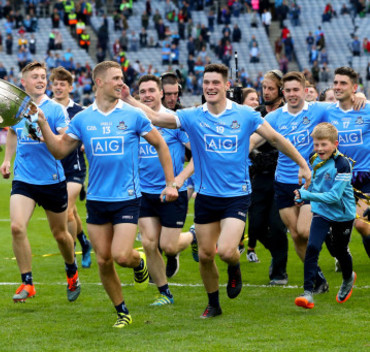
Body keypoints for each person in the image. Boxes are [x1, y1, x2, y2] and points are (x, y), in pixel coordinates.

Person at [131, 63, 311, 318]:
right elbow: (158, 118)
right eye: (206, 83)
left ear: (226, 85)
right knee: (205, 256)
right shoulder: (194, 115)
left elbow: (275, 139)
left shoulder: (245, 114)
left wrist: (303, 164)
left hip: (236, 196)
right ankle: (213, 303)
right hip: (205, 197)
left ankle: (234, 266)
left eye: (216, 83)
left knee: (226, 251)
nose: (210, 87)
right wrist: (128, 98)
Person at [36, 61, 178, 328]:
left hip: (127, 197)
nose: (121, 83)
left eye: (121, 78)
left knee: (122, 256)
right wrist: (43, 124)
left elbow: (160, 144)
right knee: (103, 260)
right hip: (98, 200)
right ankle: (122, 311)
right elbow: (58, 151)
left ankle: (139, 262)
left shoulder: (134, 115)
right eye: (115, 78)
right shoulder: (82, 119)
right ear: (99, 82)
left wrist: (171, 182)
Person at [0, 62, 80, 304]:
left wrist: (42, 125)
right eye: (35, 77)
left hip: (52, 180)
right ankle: (27, 282)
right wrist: (6, 160)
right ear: (23, 82)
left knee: (61, 234)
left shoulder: (54, 110)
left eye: (43, 76)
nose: (41, 80)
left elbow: (64, 141)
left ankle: (71, 270)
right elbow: (13, 132)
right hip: (24, 178)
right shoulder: (16, 107)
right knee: (16, 227)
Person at [251, 71, 331, 293]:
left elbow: (345, 108)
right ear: (283, 92)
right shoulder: (275, 117)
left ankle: (327, 229)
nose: (293, 94)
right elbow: (254, 137)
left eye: (297, 89)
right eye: (288, 90)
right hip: (283, 182)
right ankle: (317, 278)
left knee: (305, 231)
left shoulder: (319, 109)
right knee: (295, 234)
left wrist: (361, 96)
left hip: (310, 180)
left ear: (305, 90)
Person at [135, 74, 196, 307]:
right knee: (150, 243)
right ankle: (164, 293)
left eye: (151, 90)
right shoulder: (133, 119)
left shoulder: (173, 121)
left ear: (161, 93)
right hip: (143, 193)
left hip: (171, 192)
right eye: (142, 91)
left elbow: (198, 155)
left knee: (168, 246)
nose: (147, 95)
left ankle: (193, 236)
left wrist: (178, 180)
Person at [294, 122, 356, 309]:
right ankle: (307, 293)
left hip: (342, 214)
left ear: (335, 144)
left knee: (340, 251)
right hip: (321, 212)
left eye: (324, 144)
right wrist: (302, 193)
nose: (319, 149)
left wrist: (307, 195)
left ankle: (347, 278)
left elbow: (335, 196)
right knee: (312, 247)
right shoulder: (314, 158)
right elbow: (316, 183)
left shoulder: (343, 164)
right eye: (316, 144)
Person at [49, 67, 93, 268]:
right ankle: (85, 243)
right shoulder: (45, 109)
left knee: (67, 211)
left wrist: (85, 142)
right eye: (55, 84)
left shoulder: (80, 112)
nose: (58, 87)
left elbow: (90, 134)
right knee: (72, 211)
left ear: (70, 87)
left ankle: (72, 256)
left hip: (74, 166)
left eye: (62, 84)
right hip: (52, 168)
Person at [248, 70, 289, 282]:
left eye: (271, 88)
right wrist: (254, 155)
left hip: (280, 174)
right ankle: (278, 253)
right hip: (259, 175)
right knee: (255, 225)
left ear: (280, 90)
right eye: (264, 87)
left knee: (276, 224)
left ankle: (279, 271)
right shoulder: (257, 111)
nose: (266, 91)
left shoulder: (285, 112)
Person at [326, 67, 370, 262]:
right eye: (335, 83)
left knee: (361, 224)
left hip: (366, 175)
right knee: (332, 229)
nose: (337, 87)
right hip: (340, 178)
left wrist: (363, 96)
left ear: (353, 87)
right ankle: (342, 262)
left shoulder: (367, 108)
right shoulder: (326, 112)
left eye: (343, 83)